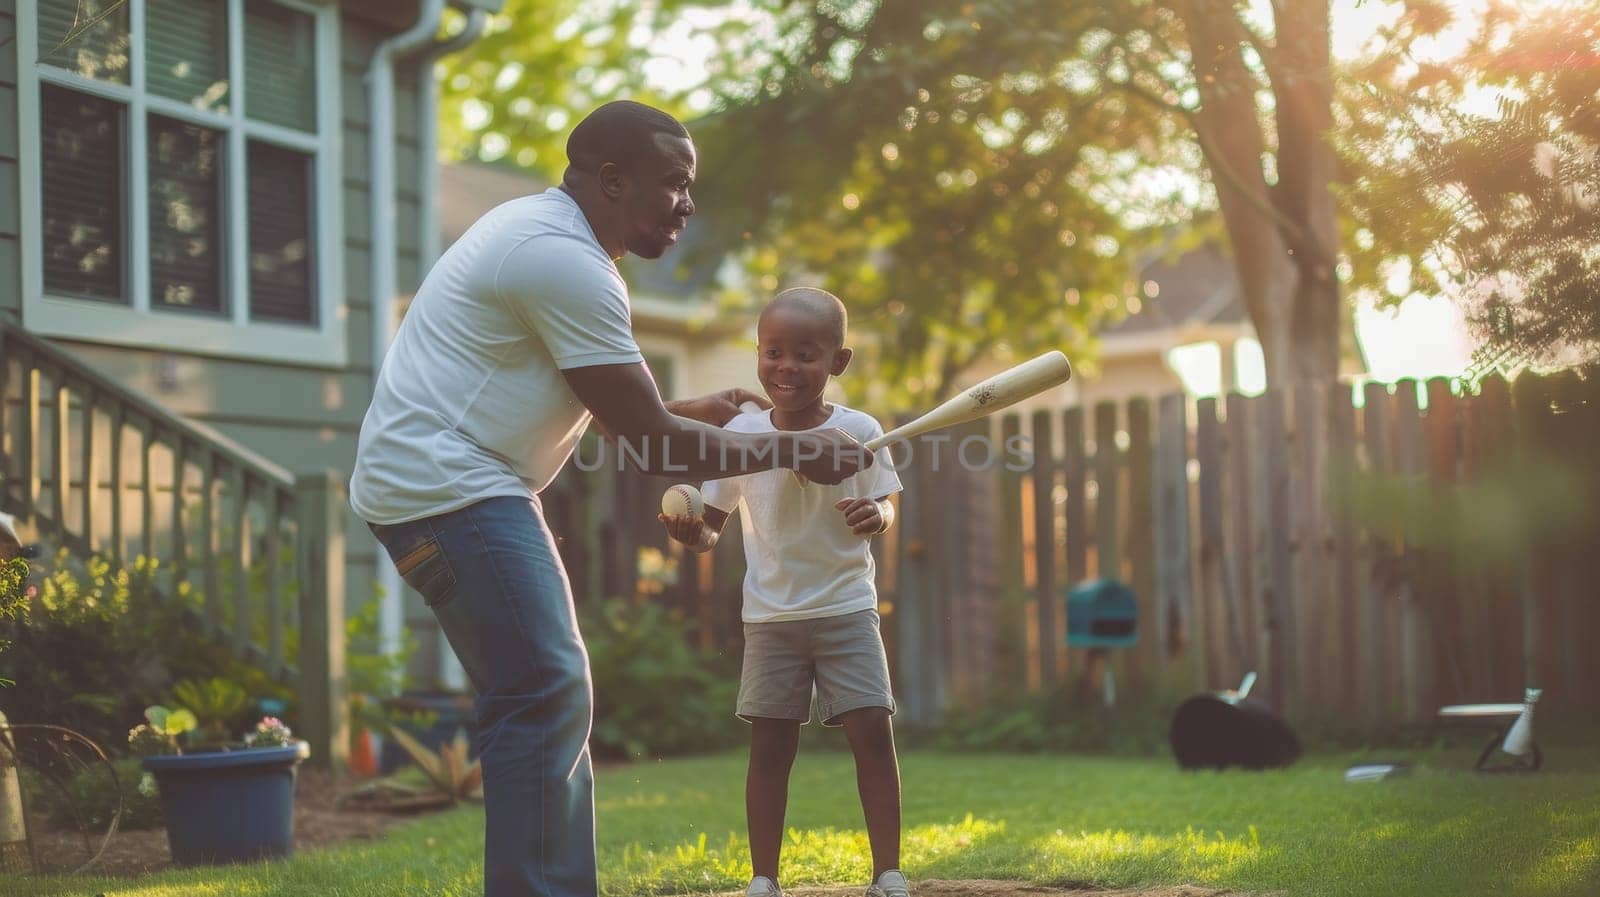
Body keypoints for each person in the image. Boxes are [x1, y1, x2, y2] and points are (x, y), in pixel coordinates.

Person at [350, 102, 870, 897]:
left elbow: (608, 411)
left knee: (543, 690)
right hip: (449, 486)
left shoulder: (550, 239)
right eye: (674, 183)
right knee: (541, 690)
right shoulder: (565, 262)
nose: (689, 203)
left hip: (439, 483)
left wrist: (689, 412)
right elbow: (654, 446)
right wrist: (795, 445)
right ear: (613, 179)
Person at [660, 288, 912, 897]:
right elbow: (713, 529)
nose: (786, 368)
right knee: (771, 745)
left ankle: (888, 872)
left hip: (846, 607)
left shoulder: (859, 429)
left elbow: (887, 501)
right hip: (770, 617)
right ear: (756, 356)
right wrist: (688, 533)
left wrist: (876, 516)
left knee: (872, 733)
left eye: (805, 354)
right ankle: (764, 879)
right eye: (773, 353)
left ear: (837, 362)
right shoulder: (741, 435)